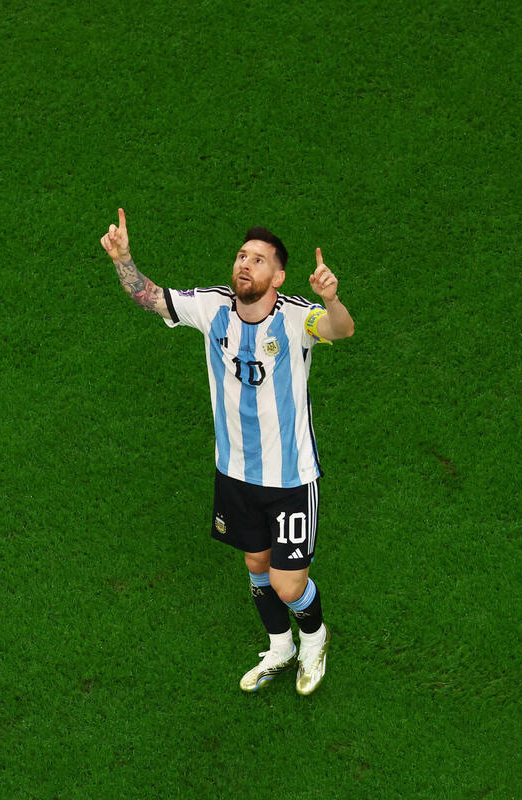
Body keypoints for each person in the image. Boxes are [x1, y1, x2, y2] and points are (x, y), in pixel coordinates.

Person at [100, 208, 355, 695]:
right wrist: (123, 260)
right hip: (235, 472)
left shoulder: (298, 316)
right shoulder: (212, 306)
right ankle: (280, 647)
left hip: (290, 478)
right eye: (242, 256)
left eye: (258, 260)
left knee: (287, 584)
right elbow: (151, 296)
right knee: (256, 564)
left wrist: (331, 298)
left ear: (277, 277)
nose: (245, 264)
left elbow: (341, 330)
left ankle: (314, 638)